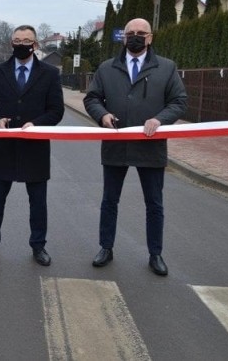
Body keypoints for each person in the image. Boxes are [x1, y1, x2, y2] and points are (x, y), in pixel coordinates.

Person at [83, 18, 187, 276]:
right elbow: (92, 98)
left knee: (154, 203)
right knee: (109, 200)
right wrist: (102, 115)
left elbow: (179, 101)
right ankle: (106, 248)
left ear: (150, 37)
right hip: (115, 144)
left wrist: (159, 119)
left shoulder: (166, 67)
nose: (135, 37)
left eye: (141, 33)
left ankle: (155, 254)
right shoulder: (107, 68)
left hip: (150, 146)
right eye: (130, 33)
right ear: (123, 38)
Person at [0, 25, 64, 266]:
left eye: (27, 40)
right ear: (11, 43)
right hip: (3, 147)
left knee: (38, 203)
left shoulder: (50, 73)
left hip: (35, 147)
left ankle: (38, 247)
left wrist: (37, 124)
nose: (21, 44)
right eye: (17, 40)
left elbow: (56, 111)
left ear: (35, 45)